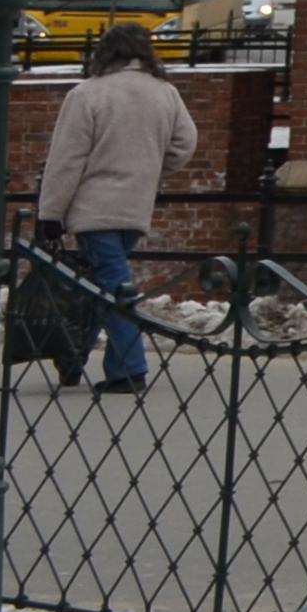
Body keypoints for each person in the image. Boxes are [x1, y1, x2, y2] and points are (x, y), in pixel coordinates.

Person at [35, 21, 196, 396]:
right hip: (136, 208)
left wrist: (51, 213)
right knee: (101, 283)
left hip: (95, 209)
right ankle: (73, 359)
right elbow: (184, 144)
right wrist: (151, 166)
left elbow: (66, 160)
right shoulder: (165, 93)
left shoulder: (88, 94)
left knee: (112, 287)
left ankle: (129, 368)